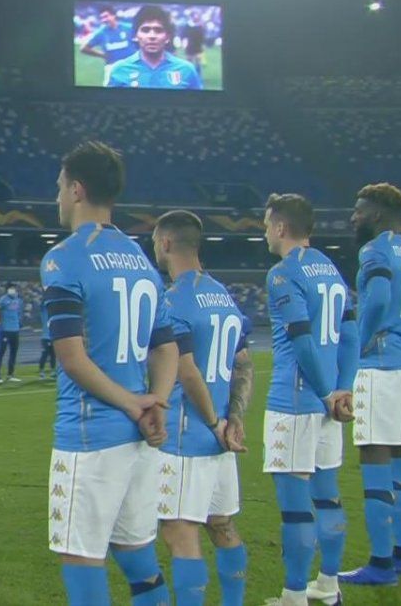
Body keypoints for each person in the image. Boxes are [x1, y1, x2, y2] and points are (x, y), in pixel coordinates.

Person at [40, 141, 178, 605]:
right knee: (139, 559)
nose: (57, 197)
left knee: (81, 557)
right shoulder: (140, 259)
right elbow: (167, 347)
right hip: (138, 438)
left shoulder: (65, 258)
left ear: (77, 190)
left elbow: (73, 358)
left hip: (91, 434)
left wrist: (134, 402)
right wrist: (154, 400)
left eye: (59, 187)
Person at [151, 210, 254, 606]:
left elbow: (187, 370)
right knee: (222, 524)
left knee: (180, 530)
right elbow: (243, 363)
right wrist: (234, 421)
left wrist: (213, 422)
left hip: (187, 435)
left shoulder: (173, 299)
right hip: (222, 439)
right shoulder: (224, 296)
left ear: (165, 243)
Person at [261, 193, 357, 606]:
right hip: (328, 402)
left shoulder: (284, 273)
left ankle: (294, 594)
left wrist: (324, 391)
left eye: (267, 224)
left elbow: (301, 338)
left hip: (296, 400)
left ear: (281, 227)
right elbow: (351, 335)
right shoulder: (330, 270)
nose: (265, 232)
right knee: (327, 493)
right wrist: (343, 387)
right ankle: (329, 585)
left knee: (297, 505)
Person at [340, 183, 401, 586]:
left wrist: (362, 345)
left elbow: (375, 300)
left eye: (358, 210)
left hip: (382, 365)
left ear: (375, 214)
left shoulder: (374, 250)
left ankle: (381, 563)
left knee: (373, 456)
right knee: (400, 456)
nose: (353, 217)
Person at [106, 4, 203, 90]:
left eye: (158, 30)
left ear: (167, 37)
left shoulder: (187, 70)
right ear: (135, 36)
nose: (152, 36)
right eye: (145, 30)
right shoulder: (119, 70)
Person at [0, 283, 23, 383]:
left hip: (15, 330)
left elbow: (18, 313)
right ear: (7, 290)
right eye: (11, 288)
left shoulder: (18, 300)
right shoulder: (3, 300)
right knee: (1, 352)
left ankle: (10, 374)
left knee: (13, 353)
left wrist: (19, 323)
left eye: (14, 289)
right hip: (5, 330)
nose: (13, 290)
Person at [37, 299, 56, 380]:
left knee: (53, 355)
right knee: (44, 355)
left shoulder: (53, 314)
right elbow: (42, 305)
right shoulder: (44, 313)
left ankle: (52, 372)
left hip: (53, 337)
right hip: (45, 337)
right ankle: (41, 372)